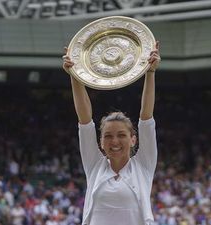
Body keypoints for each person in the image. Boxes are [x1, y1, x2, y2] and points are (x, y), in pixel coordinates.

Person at [62, 41, 161, 225]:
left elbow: (146, 117)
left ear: (133, 139)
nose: (114, 141)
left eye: (122, 135)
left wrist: (150, 72)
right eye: (108, 136)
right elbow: (85, 120)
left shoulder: (143, 166)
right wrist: (74, 75)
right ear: (100, 142)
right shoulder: (94, 166)